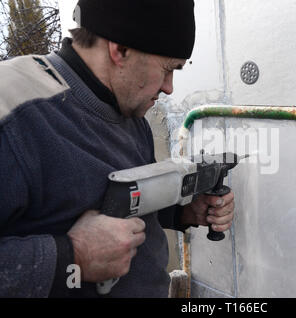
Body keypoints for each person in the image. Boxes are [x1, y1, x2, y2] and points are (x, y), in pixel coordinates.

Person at [0, 0, 235, 298]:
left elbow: (117, 204)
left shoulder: (127, 110)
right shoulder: (14, 114)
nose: (169, 88)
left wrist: (183, 212)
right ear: (120, 49)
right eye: (168, 69)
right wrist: (73, 256)